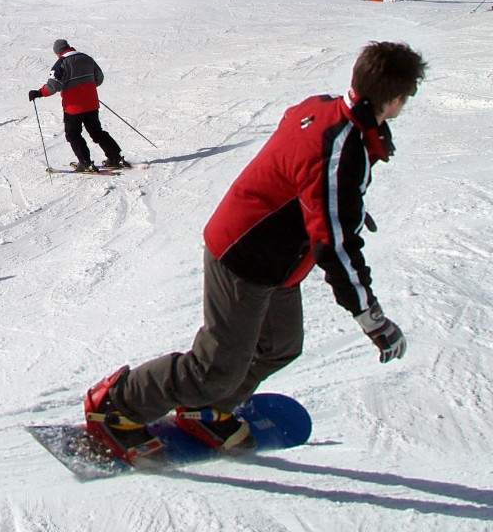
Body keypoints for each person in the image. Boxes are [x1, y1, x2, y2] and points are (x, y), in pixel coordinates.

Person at [82, 42, 426, 464]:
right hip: (245, 255)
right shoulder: (341, 149)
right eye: (405, 97)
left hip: (279, 260)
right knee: (214, 367)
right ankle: (115, 404)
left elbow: (306, 170)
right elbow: (335, 247)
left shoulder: (324, 107)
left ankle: (208, 408)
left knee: (280, 345)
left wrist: (341, 204)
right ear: (393, 99)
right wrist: (372, 319)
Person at [28, 39, 127, 172]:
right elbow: (99, 78)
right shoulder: (87, 58)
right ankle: (115, 157)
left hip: (73, 107)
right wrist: (87, 88)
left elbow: (53, 86)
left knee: (73, 134)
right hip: (91, 103)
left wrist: (39, 93)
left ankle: (85, 163)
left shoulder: (61, 63)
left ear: (57, 52)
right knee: (97, 132)